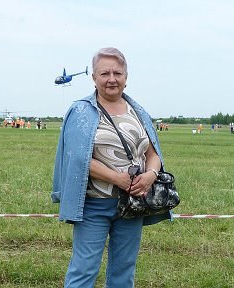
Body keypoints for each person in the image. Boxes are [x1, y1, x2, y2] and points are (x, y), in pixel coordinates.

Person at [51, 47, 171, 288]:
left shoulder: (137, 111)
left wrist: (150, 174)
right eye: (104, 73)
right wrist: (117, 179)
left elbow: (152, 153)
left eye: (117, 72)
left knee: (123, 271)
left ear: (126, 78)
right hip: (94, 205)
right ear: (94, 78)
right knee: (84, 271)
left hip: (132, 204)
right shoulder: (81, 111)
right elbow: (77, 157)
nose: (111, 78)